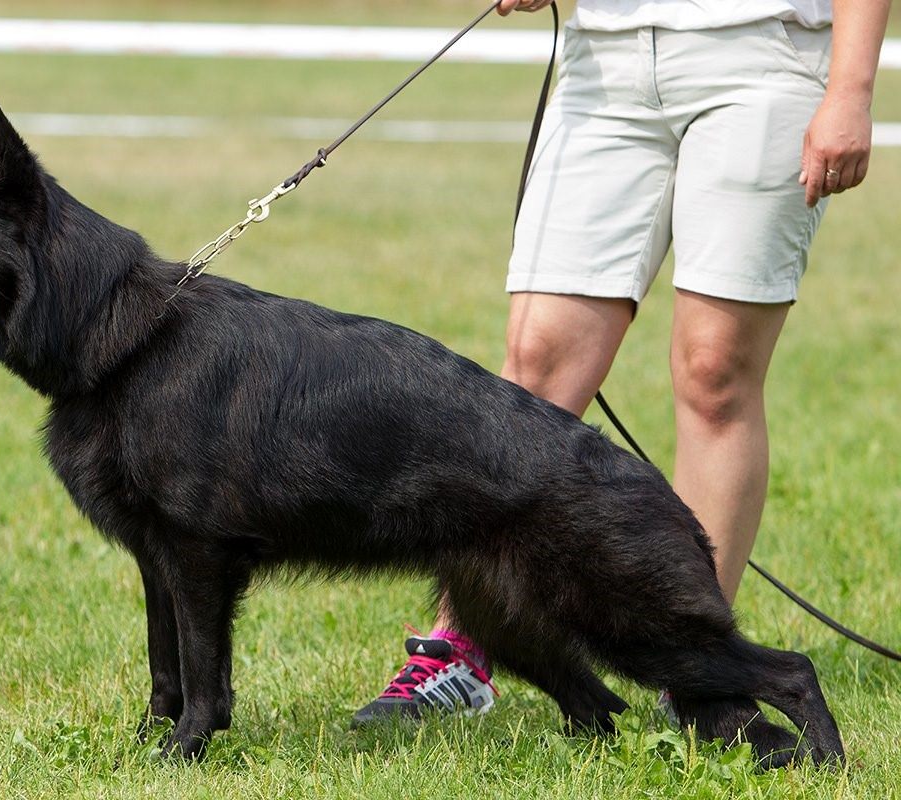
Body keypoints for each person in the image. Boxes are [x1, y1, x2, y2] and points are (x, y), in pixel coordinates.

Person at [352, 0, 893, 726]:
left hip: (762, 56)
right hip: (604, 61)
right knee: (538, 362)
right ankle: (462, 649)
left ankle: (697, 670)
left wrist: (851, 89)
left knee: (715, 372)